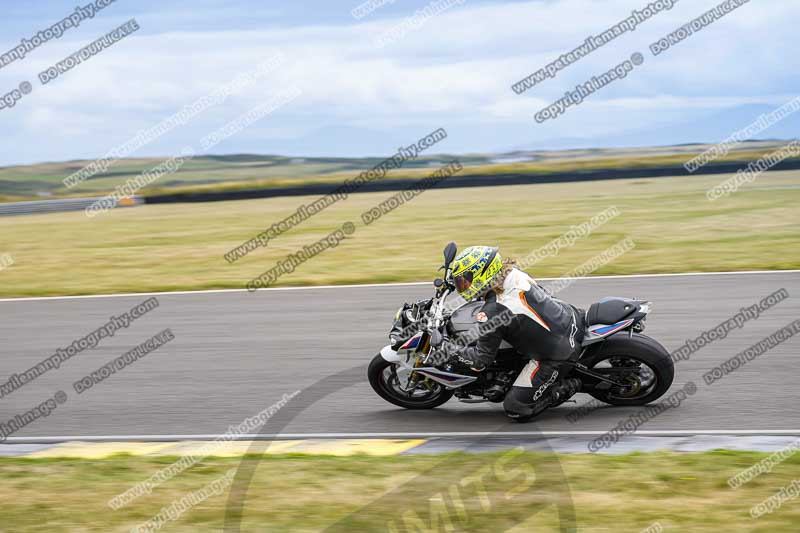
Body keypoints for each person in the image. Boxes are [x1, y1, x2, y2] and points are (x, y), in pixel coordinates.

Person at [441, 245, 585, 421]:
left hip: (558, 353)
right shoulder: (512, 273)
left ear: (483, 275)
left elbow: (480, 360)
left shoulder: (493, 311)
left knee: (515, 407)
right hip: (569, 316)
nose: (462, 286)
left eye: (465, 281)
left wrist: (447, 349)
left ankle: (566, 387)